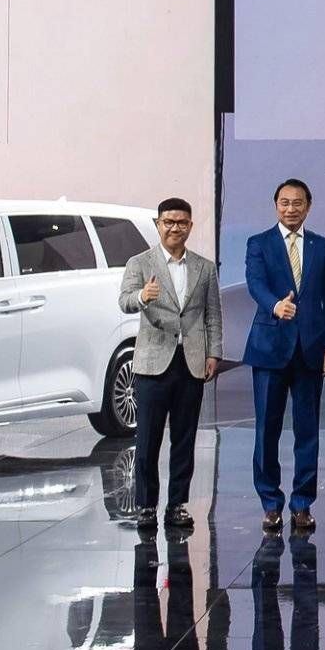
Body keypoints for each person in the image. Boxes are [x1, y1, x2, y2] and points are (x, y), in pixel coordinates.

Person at [118, 197, 223, 532]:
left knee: (184, 438)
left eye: (181, 222)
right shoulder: (140, 263)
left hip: (190, 362)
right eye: (168, 222)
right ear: (158, 224)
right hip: (153, 363)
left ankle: (177, 504)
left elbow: (213, 315)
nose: (175, 228)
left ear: (190, 226)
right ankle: (146, 505)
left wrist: (213, 353)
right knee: (147, 440)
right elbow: (124, 301)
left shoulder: (204, 267)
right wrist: (142, 297)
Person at [244, 178, 325, 535]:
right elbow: (255, 283)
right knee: (266, 431)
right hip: (269, 349)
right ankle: (270, 504)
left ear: (308, 207)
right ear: (276, 206)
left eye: (297, 202)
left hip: (310, 350)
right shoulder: (259, 243)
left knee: (307, 431)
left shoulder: (322, 246)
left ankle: (302, 504)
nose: (290, 209)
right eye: (284, 202)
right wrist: (275, 305)